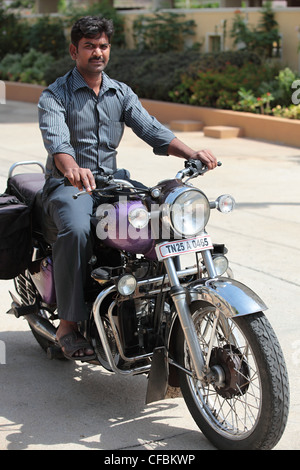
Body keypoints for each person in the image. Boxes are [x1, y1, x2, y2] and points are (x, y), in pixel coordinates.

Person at [38, 16, 218, 361]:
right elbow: (56, 139)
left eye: (103, 46)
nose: (97, 52)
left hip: (112, 182)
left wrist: (192, 152)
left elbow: (153, 131)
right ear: (74, 50)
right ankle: (67, 325)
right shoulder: (55, 95)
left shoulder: (120, 93)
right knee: (76, 230)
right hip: (68, 185)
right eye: (89, 46)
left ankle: (167, 302)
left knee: (166, 218)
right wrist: (71, 167)